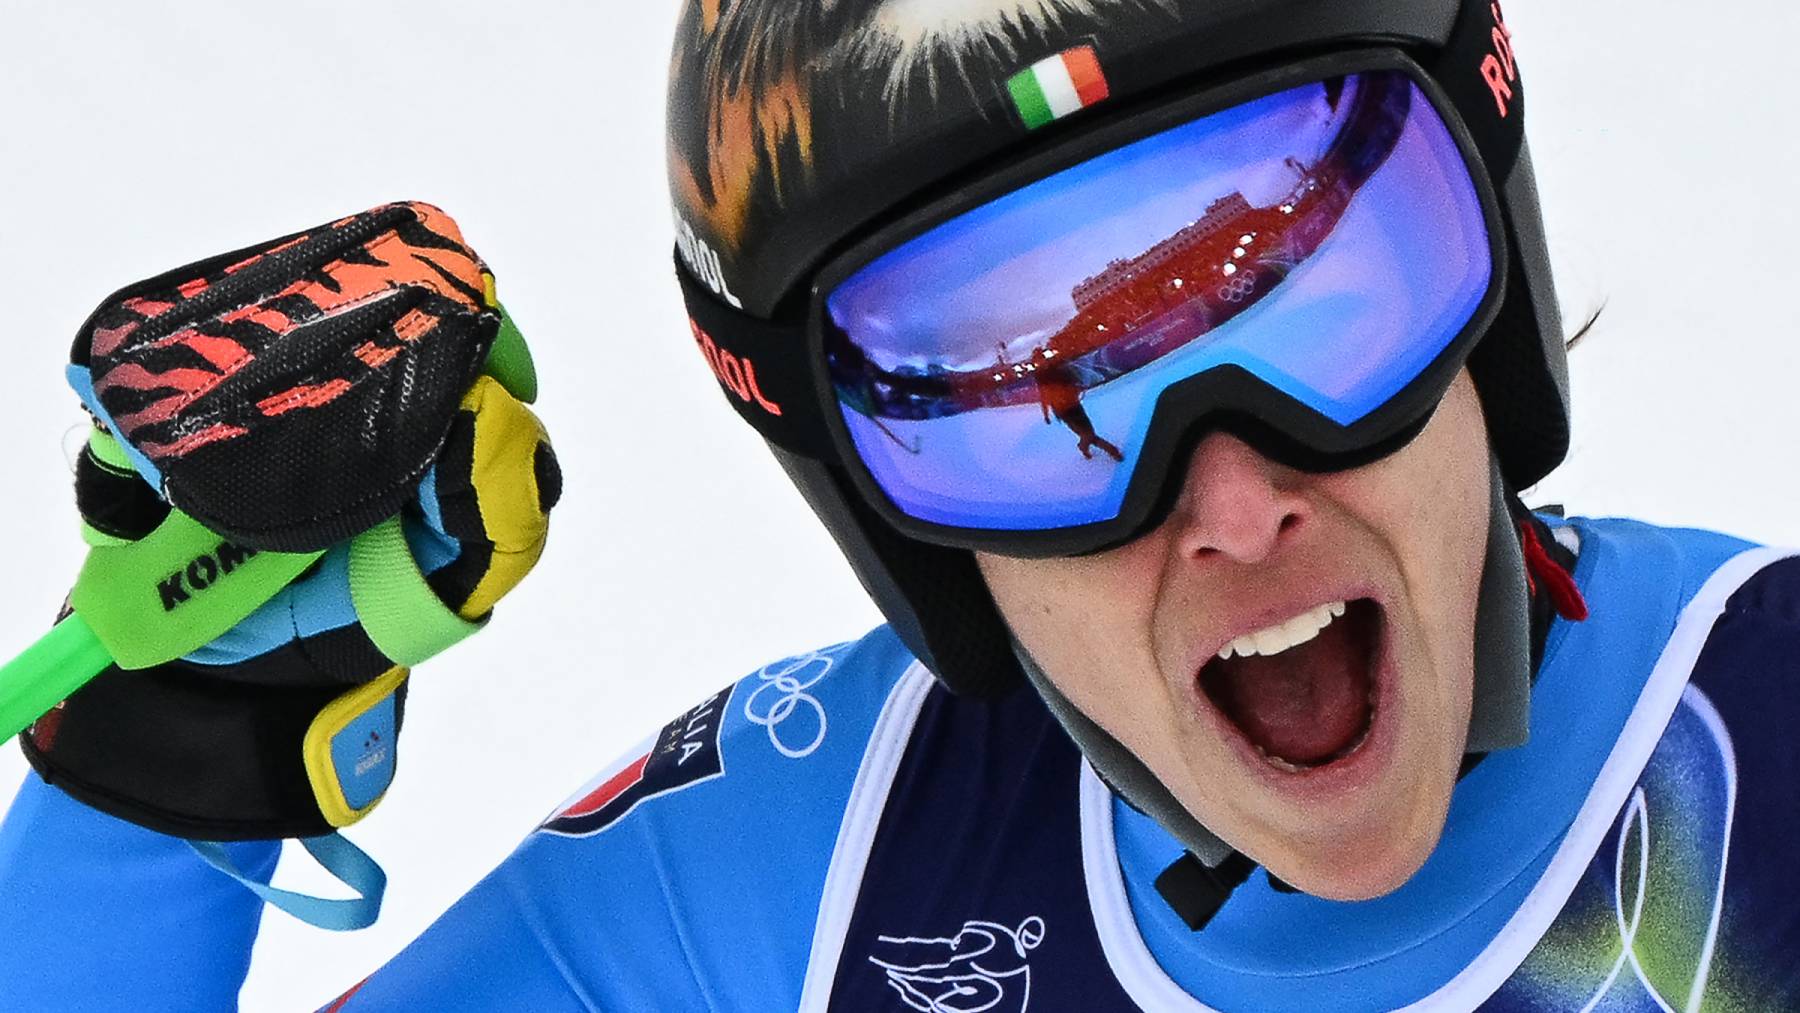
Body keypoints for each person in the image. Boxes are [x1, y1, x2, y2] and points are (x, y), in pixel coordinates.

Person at [3, 2, 1798, 1012]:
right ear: (891, 523)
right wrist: (178, 756)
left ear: (1492, 287)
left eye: (1313, 298)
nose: (1235, 500)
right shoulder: (820, 856)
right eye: (1034, 404)